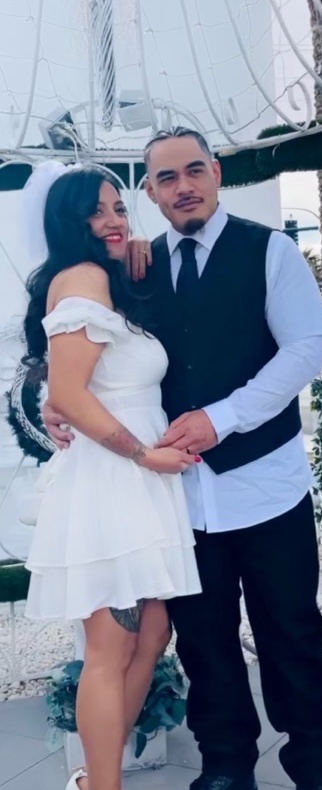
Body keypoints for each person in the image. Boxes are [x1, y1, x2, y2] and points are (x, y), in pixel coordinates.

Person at [44, 127, 322, 790]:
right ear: (153, 193)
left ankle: (316, 765)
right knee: (204, 641)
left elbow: (307, 346)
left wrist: (223, 417)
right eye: (166, 178)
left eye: (193, 171)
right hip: (177, 500)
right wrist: (53, 398)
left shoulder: (269, 250)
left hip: (267, 485)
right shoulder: (136, 267)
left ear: (215, 174)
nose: (182, 186)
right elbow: (90, 350)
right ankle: (226, 765)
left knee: (292, 633)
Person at [23, 163, 202, 790]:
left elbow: (71, 383)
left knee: (150, 633)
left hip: (137, 485)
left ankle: (94, 779)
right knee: (110, 646)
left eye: (119, 208)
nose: (113, 220)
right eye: (96, 212)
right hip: (115, 482)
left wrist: (133, 249)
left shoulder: (106, 279)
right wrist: (146, 455)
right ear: (68, 224)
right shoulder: (83, 278)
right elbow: (69, 394)